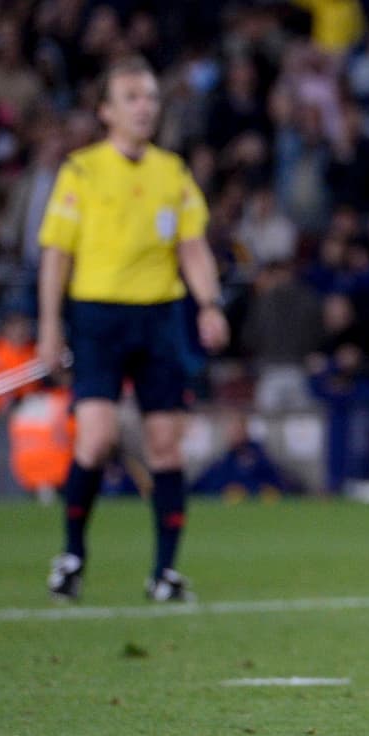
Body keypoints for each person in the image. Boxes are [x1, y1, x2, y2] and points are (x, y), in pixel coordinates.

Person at [37, 55, 229, 603]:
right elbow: (56, 253)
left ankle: (164, 573)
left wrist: (209, 304)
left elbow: (191, 247)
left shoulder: (173, 171)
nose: (145, 106)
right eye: (131, 98)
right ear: (105, 111)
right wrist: (50, 326)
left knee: (166, 448)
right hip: (97, 315)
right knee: (95, 440)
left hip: (159, 317)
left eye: (149, 96)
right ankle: (73, 555)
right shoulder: (81, 171)